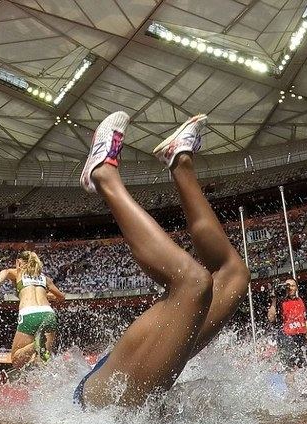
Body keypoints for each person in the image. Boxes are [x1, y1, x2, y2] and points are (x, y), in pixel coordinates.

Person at [73, 112, 249, 408]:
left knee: (233, 276)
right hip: (102, 398)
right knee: (199, 281)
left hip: (115, 382)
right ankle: (104, 174)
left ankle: (177, 161)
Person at [0, 251, 65, 369]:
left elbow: (4, 272)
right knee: (43, 361)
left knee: (16, 360)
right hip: (48, 314)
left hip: (29, 314)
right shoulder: (45, 278)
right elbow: (61, 297)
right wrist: (45, 296)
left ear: (18, 262)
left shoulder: (20, 272)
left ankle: (36, 344)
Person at [267, 279, 307, 370]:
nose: (290, 288)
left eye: (292, 286)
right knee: (290, 368)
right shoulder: (280, 301)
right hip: (286, 337)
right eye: (288, 286)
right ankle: (291, 384)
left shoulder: (301, 300)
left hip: (301, 337)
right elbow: (271, 318)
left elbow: (306, 319)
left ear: (296, 287)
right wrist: (274, 300)